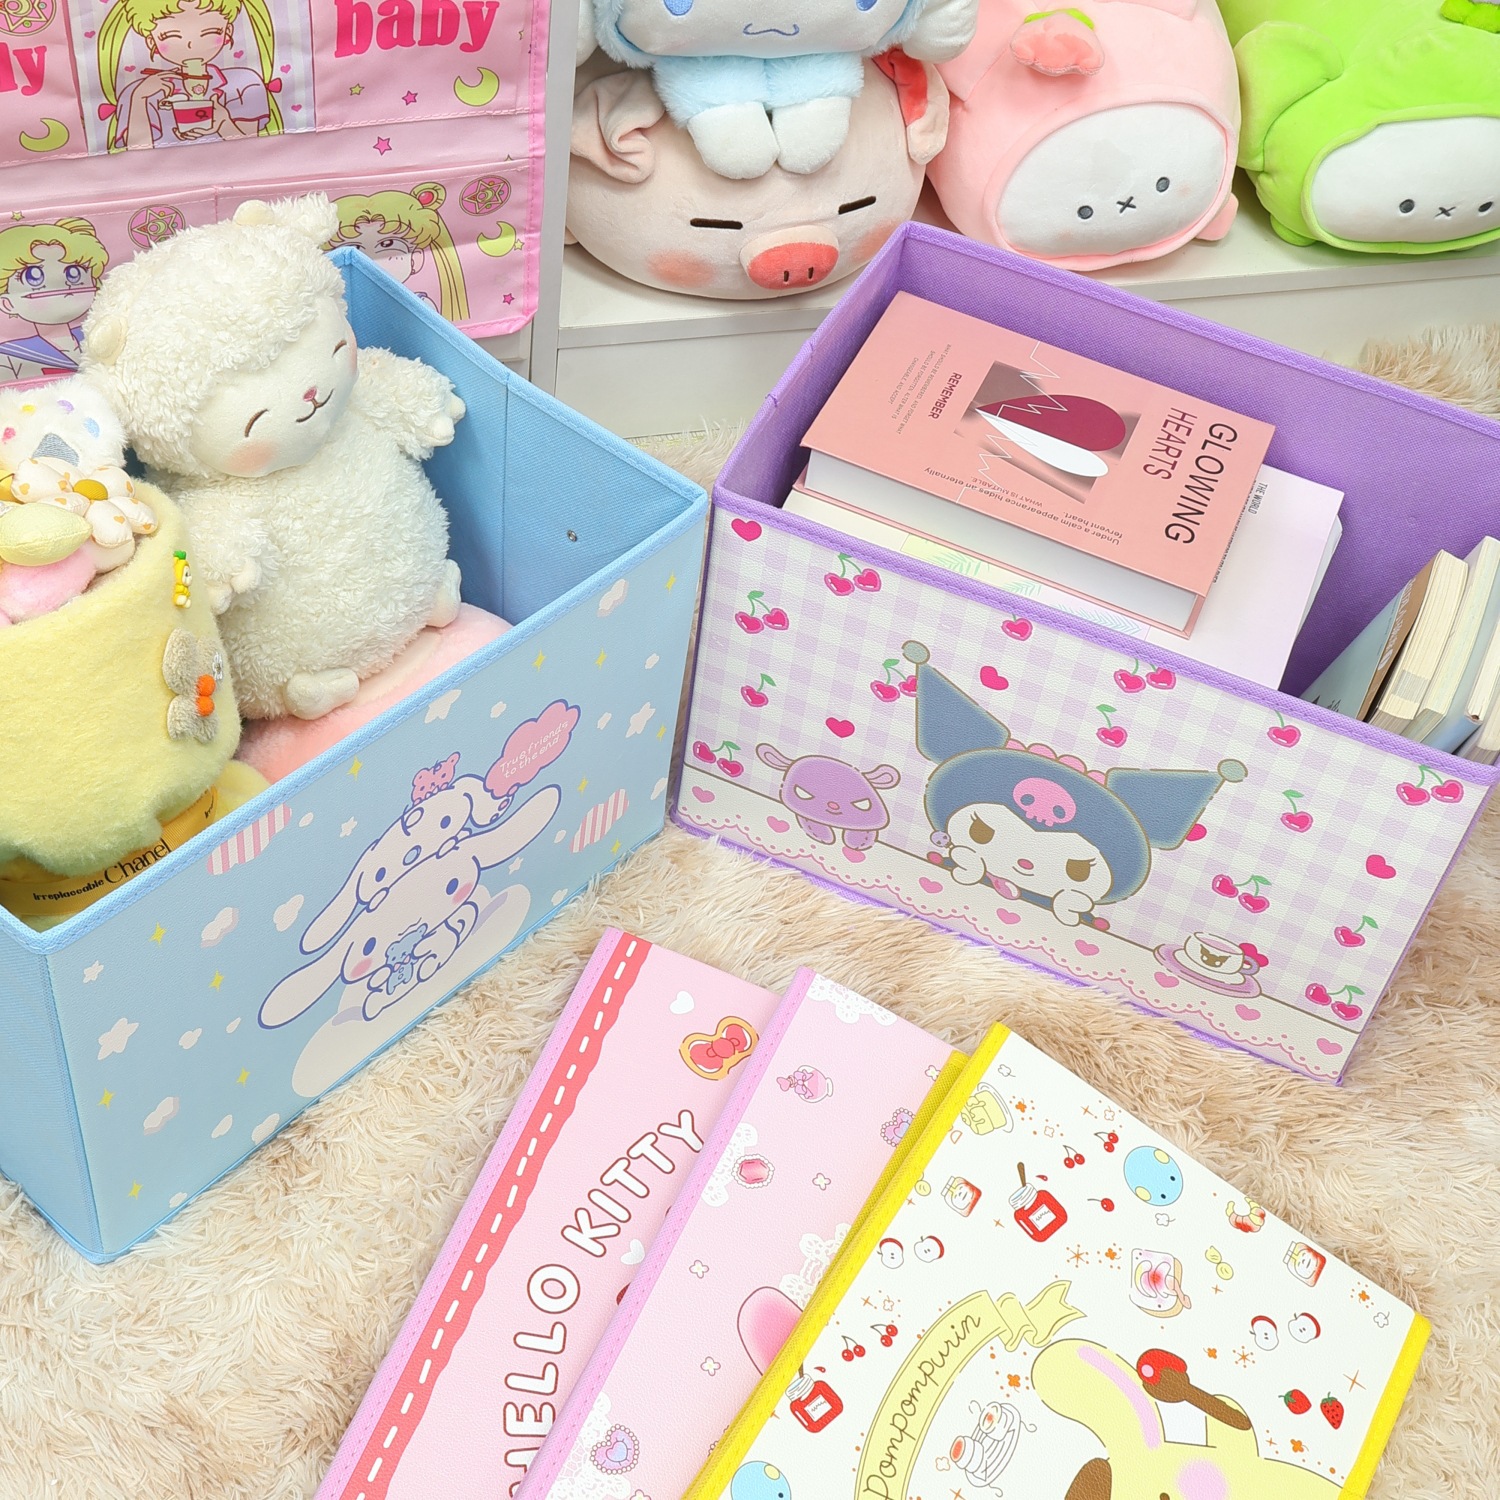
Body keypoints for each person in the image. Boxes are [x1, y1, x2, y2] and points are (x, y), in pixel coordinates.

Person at [98, 0, 282, 150]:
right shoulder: (139, 92)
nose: (190, 45)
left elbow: (254, 152)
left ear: (228, 32)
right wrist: (140, 98)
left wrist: (224, 124)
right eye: (170, 36)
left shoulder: (245, 82)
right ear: (151, 41)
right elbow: (135, 154)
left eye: (210, 32)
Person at [327, 186, 471, 324]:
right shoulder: (334, 308)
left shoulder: (420, 306)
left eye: (387, 244)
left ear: (416, 258)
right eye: (355, 248)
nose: (370, 260)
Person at [0, 219, 109, 381]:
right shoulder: (10, 354)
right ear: (7, 303)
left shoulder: (103, 335)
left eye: (74, 273)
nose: (65, 288)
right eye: (33, 277)